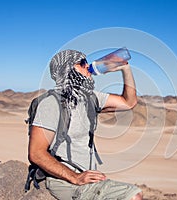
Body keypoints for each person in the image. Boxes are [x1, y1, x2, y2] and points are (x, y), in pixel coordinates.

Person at [28, 49, 143, 200]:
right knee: (133, 195)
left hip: (87, 177)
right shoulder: (51, 103)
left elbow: (129, 103)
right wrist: (75, 177)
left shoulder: (89, 97)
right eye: (81, 63)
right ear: (67, 70)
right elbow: (36, 153)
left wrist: (125, 69)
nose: (87, 65)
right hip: (64, 181)